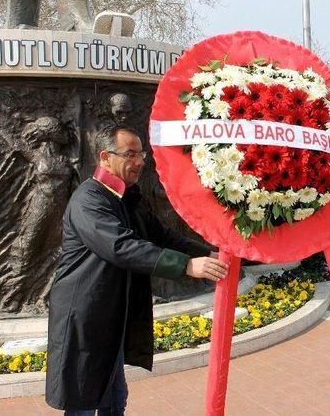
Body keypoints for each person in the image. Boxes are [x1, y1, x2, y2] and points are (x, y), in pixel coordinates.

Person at [45, 127, 228, 415]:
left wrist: (207, 253)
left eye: (141, 153)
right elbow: (120, 246)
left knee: (114, 397)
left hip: (111, 314)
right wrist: (186, 266)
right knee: (83, 401)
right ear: (105, 158)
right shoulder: (89, 199)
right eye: (130, 154)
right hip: (85, 316)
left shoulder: (127, 198)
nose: (141, 161)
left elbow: (162, 236)